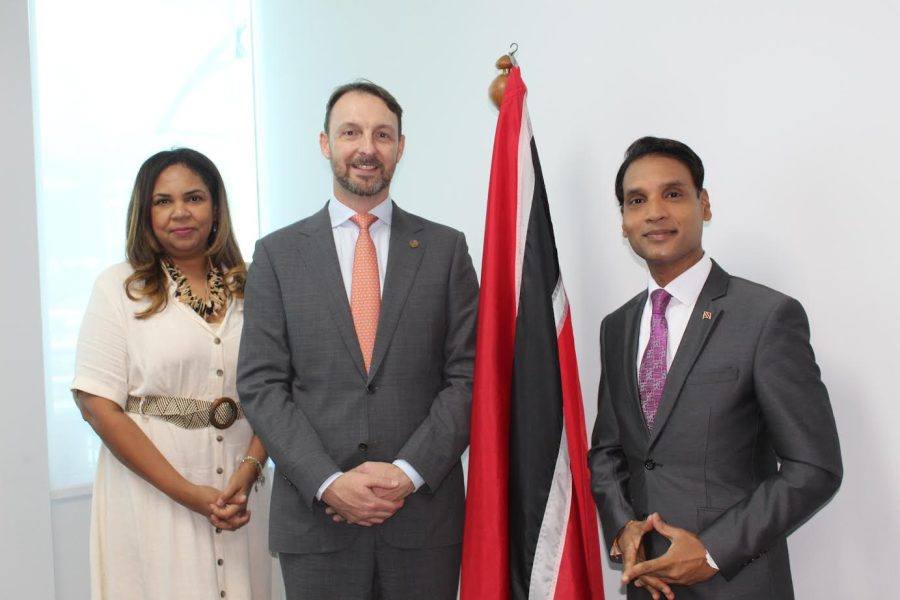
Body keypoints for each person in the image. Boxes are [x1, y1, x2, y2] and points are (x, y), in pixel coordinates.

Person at [237, 80, 479, 600]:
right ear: (325, 144)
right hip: (316, 521)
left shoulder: (446, 250)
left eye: (382, 134)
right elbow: (261, 385)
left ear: (401, 147)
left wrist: (407, 473)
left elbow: (470, 376)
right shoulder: (277, 256)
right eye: (351, 132)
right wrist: (327, 481)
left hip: (422, 522)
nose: (367, 148)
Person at [588, 136, 842, 600]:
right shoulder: (616, 326)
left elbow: (814, 467)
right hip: (647, 587)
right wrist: (622, 525)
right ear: (623, 223)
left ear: (704, 204)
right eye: (636, 200)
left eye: (673, 194)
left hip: (737, 583)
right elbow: (607, 450)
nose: (655, 212)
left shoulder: (765, 317)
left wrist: (710, 552)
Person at [72, 148, 272, 599]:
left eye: (195, 197)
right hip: (152, 492)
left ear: (216, 207)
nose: (179, 212)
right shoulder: (119, 287)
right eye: (162, 201)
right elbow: (97, 405)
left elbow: (277, 389)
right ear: (144, 212)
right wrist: (186, 492)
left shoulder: (253, 285)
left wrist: (250, 467)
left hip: (243, 493)